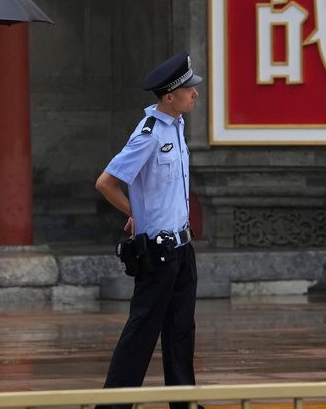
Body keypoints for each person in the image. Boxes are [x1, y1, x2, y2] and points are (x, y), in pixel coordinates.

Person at [94, 51, 201, 409]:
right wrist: (134, 212)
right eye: (189, 89)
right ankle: (114, 406)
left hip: (183, 246)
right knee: (142, 331)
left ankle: (183, 403)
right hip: (158, 249)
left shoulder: (178, 126)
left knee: (181, 330)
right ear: (169, 96)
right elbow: (106, 182)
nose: (195, 94)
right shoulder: (148, 135)